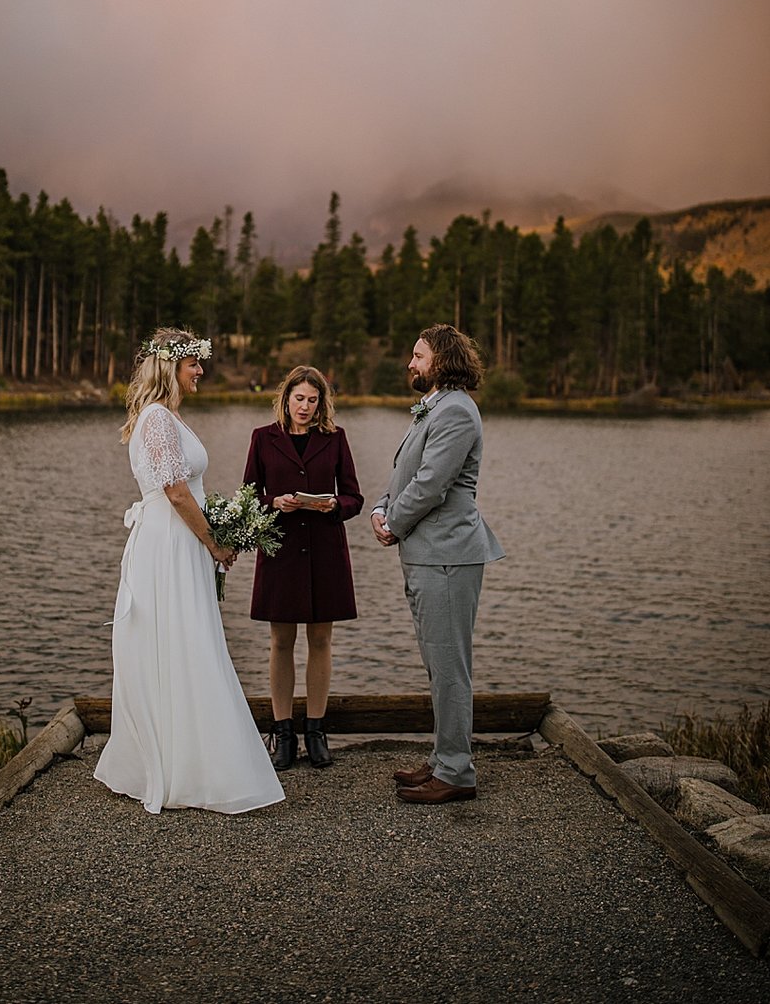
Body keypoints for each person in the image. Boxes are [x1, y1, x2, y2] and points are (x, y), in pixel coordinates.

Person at [94, 328, 284, 815]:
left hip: (178, 541)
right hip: (170, 545)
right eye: (193, 363)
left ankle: (192, 757)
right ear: (170, 367)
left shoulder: (166, 417)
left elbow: (184, 490)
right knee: (182, 641)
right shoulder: (157, 418)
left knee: (185, 642)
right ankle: (185, 767)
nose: (201, 371)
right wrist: (215, 541)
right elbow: (176, 491)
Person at [371, 324, 504, 804]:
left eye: (418, 355)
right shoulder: (435, 409)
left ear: (441, 359)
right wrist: (380, 509)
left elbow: (431, 485)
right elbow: (403, 473)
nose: (410, 363)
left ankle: (456, 773)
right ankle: (444, 755)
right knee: (438, 663)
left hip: (448, 555)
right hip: (429, 555)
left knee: (450, 667)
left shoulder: (457, 412)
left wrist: (394, 523)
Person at [244, 366, 364, 770]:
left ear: (321, 403)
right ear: (286, 398)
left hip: (324, 550)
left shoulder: (335, 438)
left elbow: (353, 496)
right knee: (281, 642)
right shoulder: (263, 438)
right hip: (279, 550)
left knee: (321, 642)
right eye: (299, 399)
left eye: (313, 400)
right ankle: (283, 734)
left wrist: (334, 505)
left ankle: (316, 730)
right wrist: (273, 503)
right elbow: (248, 497)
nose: (305, 407)